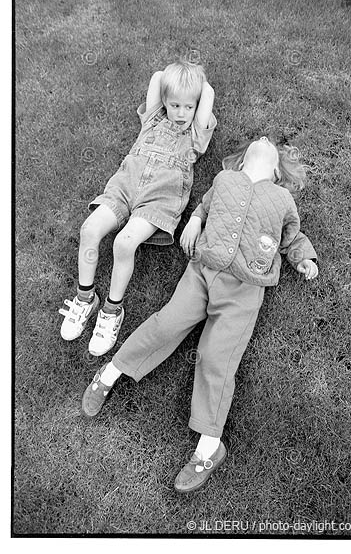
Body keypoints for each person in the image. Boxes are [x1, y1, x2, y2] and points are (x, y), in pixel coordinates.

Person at [81, 136, 319, 493]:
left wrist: (303, 258)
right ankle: (111, 371)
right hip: (201, 272)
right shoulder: (224, 180)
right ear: (241, 163)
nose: (265, 139)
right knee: (166, 323)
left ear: (275, 170)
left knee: (216, 358)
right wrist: (193, 221)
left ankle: (209, 448)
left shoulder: (282, 200)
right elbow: (204, 207)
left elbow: (291, 237)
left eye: (270, 147)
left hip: (244, 290)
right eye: (258, 141)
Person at [59, 59, 216, 356]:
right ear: (165, 104)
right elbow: (158, 77)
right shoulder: (153, 119)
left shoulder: (195, 137)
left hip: (159, 198)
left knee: (124, 242)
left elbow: (207, 93)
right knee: (90, 228)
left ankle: (111, 310)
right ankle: (85, 298)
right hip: (125, 186)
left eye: (188, 107)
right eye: (175, 105)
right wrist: (176, 80)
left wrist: (196, 80)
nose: (181, 113)